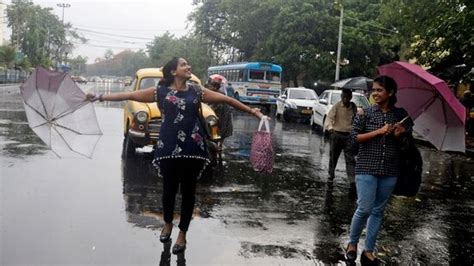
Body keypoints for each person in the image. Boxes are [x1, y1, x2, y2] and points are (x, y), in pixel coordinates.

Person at [86, 57, 266, 255]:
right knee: (169, 190)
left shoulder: (196, 91)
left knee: (189, 192)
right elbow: (130, 94)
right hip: (168, 147)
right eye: (183, 65)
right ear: (173, 71)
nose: (188, 67)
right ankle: (168, 223)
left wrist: (252, 111)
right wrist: (100, 97)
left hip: (193, 148)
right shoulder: (159, 92)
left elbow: (227, 100)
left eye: (188, 64)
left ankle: (182, 234)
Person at [345, 76, 413, 265]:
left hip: (390, 170)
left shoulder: (402, 116)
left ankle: (368, 251)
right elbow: (353, 139)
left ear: (390, 93)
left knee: (378, 211)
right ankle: (352, 244)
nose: (375, 93)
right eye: (373, 90)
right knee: (364, 208)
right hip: (366, 167)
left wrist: (401, 136)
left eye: (379, 90)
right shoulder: (364, 113)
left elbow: (408, 147)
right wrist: (379, 132)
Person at [326, 88, 356, 194]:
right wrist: (330, 128)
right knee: (334, 156)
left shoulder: (353, 107)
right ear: (341, 97)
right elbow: (329, 118)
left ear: (351, 97)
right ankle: (331, 176)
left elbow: (356, 120)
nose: (345, 99)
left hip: (349, 136)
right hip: (337, 134)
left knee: (350, 159)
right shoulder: (337, 106)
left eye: (348, 97)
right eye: (343, 96)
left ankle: (352, 181)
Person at [207, 76, 233, 160]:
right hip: (222, 121)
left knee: (215, 134)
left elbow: (213, 108)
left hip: (217, 120)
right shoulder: (221, 94)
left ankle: (216, 151)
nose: (210, 87)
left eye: (211, 86)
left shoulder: (215, 95)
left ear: (214, 86)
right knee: (219, 135)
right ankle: (218, 148)